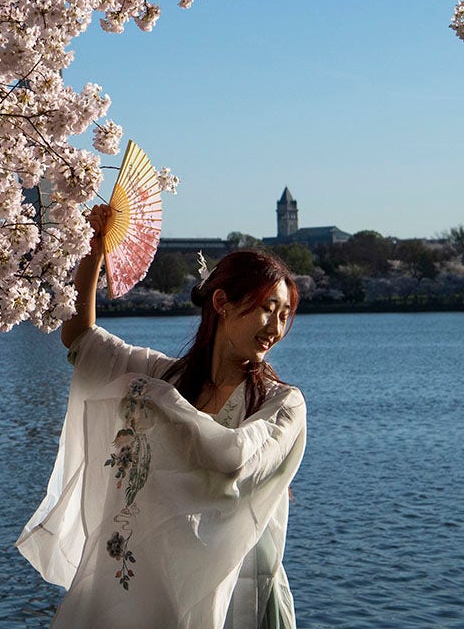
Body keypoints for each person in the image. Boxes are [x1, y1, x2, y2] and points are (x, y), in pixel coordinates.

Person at [17, 205, 308, 629]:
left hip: (244, 589)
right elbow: (79, 337)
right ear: (222, 303)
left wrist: (155, 400)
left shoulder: (282, 405)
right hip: (163, 585)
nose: (276, 328)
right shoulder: (163, 375)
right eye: (268, 309)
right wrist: (94, 252)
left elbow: (235, 460)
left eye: (285, 316)